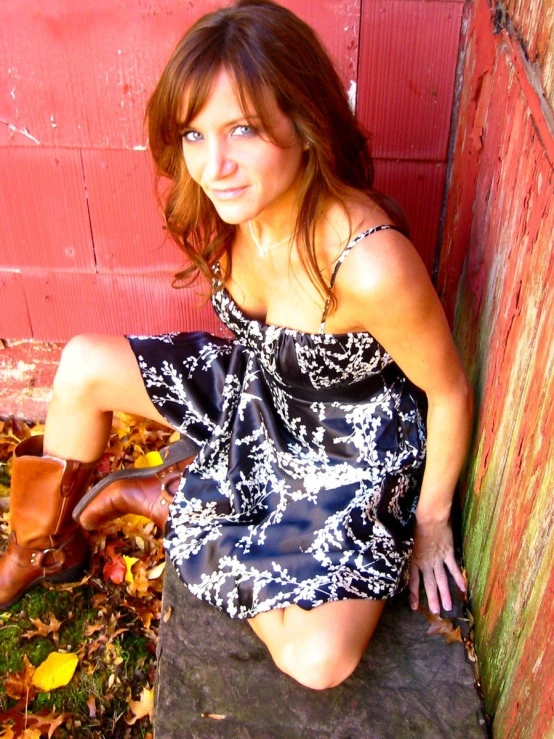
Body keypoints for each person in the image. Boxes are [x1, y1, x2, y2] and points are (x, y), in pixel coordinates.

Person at [0, 0, 471, 690]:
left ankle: (167, 495)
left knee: (319, 662)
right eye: (194, 135)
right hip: (263, 389)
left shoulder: (369, 262)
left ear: (303, 122)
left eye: (243, 129)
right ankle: (41, 547)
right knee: (82, 365)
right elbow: (256, 341)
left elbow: (449, 390)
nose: (213, 165)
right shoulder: (232, 207)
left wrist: (430, 524)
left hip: (343, 453)